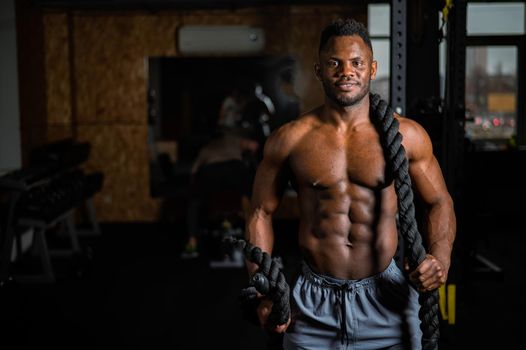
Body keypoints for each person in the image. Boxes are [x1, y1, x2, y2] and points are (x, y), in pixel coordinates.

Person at [243, 18, 456, 349]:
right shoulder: (290, 140)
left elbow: (439, 201)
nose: (346, 72)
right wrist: (263, 289)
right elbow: (260, 213)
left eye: (356, 63)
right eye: (334, 63)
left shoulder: (408, 136)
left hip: (388, 299)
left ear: (372, 69)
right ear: (318, 71)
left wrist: (440, 257)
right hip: (312, 303)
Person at [181, 126, 259, 259]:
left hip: (210, 171)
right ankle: (252, 239)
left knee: (194, 200)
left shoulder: (206, 148)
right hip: (234, 168)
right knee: (247, 194)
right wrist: (254, 147)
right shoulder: (232, 139)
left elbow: (193, 172)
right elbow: (252, 145)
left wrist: (194, 189)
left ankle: (192, 241)